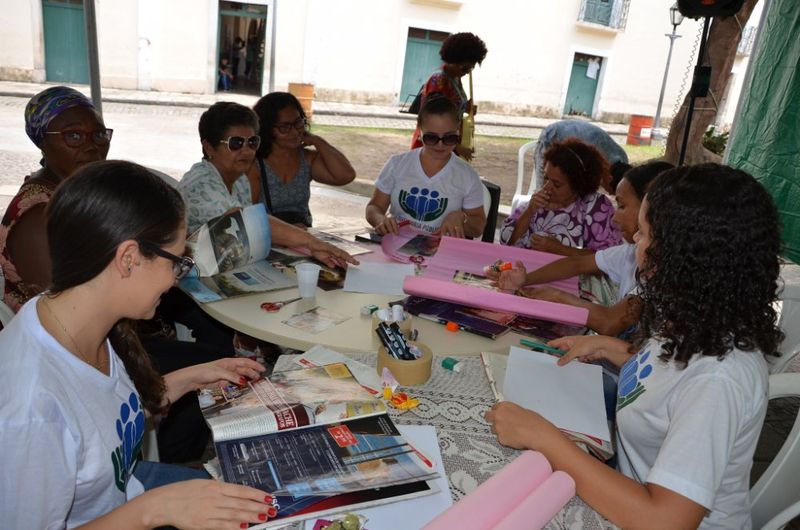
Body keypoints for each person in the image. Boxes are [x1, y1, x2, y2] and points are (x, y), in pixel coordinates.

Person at [486, 163, 782, 529]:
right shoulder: (695, 320)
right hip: (626, 493)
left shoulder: (719, 378)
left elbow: (666, 521)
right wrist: (619, 352)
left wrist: (543, 437)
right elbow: (672, 384)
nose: (634, 243)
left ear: (681, 254)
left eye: (643, 234)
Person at [0, 160, 277, 529]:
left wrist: (191, 378)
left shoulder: (73, 315)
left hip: (127, 492)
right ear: (129, 258)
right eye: (176, 262)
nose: (176, 279)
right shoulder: (33, 407)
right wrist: (155, 510)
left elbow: (105, 421)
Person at [492, 161, 674, 336]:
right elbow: (576, 264)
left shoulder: (660, 276)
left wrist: (558, 297)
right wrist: (526, 280)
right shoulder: (629, 252)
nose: (614, 218)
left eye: (622, 206)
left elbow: (609, 322)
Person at [178, 101, 358, 268]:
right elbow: (247, 222)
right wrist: (311, 242)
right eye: (236, 143)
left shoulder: (239, 179)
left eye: (252, 142)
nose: (247, 151)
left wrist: (292, 237)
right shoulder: (202, 184)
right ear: (209, 147)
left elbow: (249, 233)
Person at [0, 86, 111, 312]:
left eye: (99, 134)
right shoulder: (39, 219)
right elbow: (64, 315)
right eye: (73, 135)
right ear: (42, 142)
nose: (92, 147)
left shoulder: (73, 192)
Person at [366, 96, 486, 238]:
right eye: (431, 138)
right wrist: (381, 220)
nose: (440, 145)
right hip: (396, 243)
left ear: (458, 131)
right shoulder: (397, 164)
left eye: (449, 138)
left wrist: (461, 218)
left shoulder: (467, 175)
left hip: (441, 252)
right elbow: (374, 207)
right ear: (420, 131)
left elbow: (478, 227)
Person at [248, 92, 356, 227]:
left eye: (298, 123)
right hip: (268, 236)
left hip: (303, 236)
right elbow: (250, 217)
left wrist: (318, 141)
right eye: (284, 128)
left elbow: (346, 176)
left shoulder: (307, 159)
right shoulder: (255, 165)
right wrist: (289, 232)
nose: (294, 132)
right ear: (267, 130)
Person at [499, 138, 621, 256]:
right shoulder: (536, 203)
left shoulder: (596, 207)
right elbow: (505, 244)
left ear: (578, 186)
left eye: (557, 184)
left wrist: (559, 249)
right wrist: (529, 211)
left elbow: (608, 257)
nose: (547, 187)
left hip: (568, 276)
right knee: (490, 269)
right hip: (523, 270)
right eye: (546, 178)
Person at [410, 32, 488, 161]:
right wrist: (458, 147)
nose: (467, 73)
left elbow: (451, 107)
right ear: (452, 60)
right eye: (464, 68)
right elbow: (435, 121)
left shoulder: (455, 78)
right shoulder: (439, 80)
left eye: (470, 69)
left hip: (447, 145)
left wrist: (465, 107)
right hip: (434, 146)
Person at [532, 120, 630, 193]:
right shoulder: (594, 156)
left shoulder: (622, 158)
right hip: (552, 136)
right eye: (609, 191)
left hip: (572, 133)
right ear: (610, 179)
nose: (607, 192)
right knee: (544, 191)